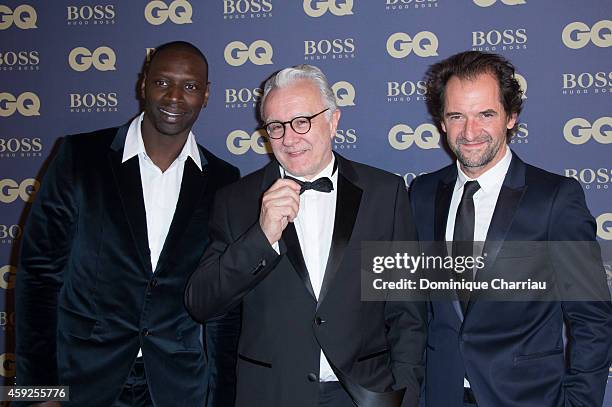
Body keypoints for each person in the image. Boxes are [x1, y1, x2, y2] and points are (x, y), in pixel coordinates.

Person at [185, 64, 427, 407]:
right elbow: (201, 303)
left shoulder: (384, 193)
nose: (289, 138)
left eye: (302, 121)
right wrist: (261, 236)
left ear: (333, 120)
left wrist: (404, 396)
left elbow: (407, 313)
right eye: (276, 126)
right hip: (272, 396)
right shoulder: (236, 200)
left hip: (364, 396)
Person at [15, 41, 240, 407]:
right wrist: (37, 394)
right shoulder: (79, 156)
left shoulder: (224, 181)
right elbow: (37, 277)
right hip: (80, 382)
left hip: (177, 387)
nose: (174, 97)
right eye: (162, 82)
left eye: (190, 86)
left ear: (207, 95)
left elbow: (223, 306)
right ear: (143, 84)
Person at [409, 50, 612, 407]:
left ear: (511, 117)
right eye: (457, 116)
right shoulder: (422, 194)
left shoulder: (554, 199)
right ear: (442, 122)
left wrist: (580, 402)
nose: (470, 132)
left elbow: (592, 317)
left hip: (527, 397)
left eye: (485, 114)